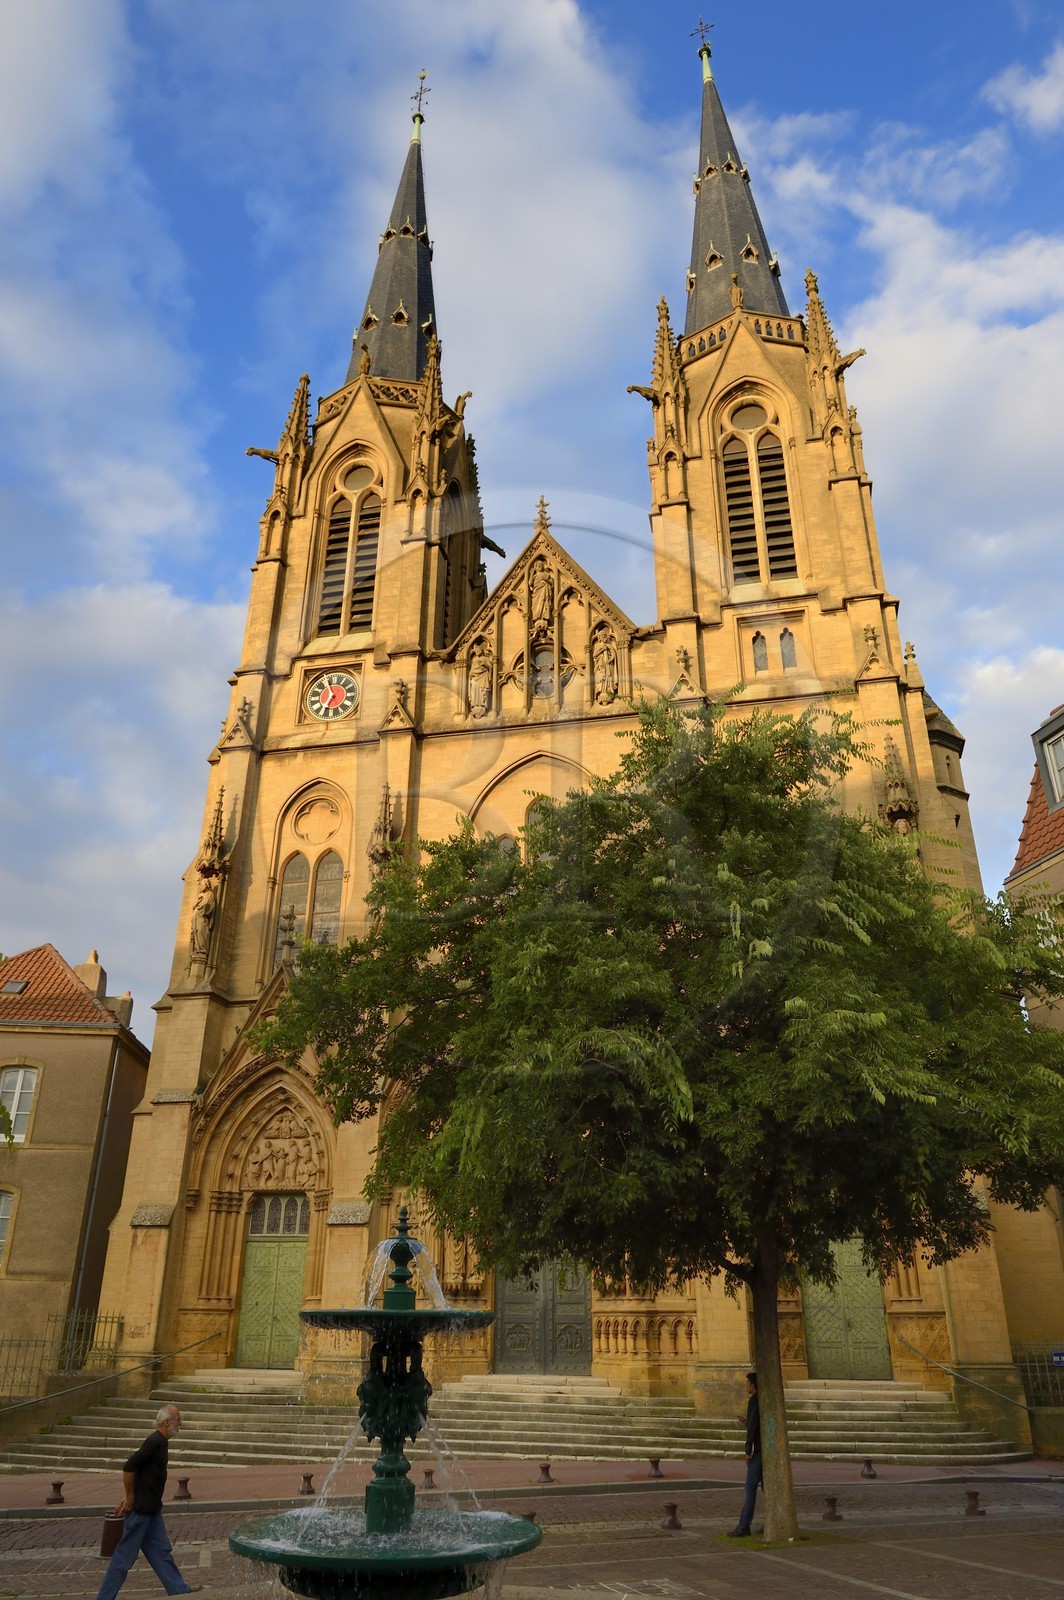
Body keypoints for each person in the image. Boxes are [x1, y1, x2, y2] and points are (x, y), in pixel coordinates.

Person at [94, 1404, 202, 1598]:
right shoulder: (154, 1441)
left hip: (152, 1511)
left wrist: (130, 1493)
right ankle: (104, 1597)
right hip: (141, 1513)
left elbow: (141, 1472)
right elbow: (129, 1466)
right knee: (123, 1559)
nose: (181, 1424)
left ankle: (179, 1590)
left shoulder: (161, 1442)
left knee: (161, 1553)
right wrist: (129, 1497)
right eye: (178, 1420)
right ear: (167, 1422)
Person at [728, 1371, 762, 1537]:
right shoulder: (765, 1399)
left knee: (750, 1489)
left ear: (753, 1385)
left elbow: (755, 1428)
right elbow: (757, 1424)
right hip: (768, 1452)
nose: (746, 1386)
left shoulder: (755, 1400)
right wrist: (748, 1423)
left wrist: (748, 1451)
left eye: (747, 1383)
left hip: (759, 1452)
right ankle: (772, 1520)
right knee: (768, 1490)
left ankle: (744, 1526)